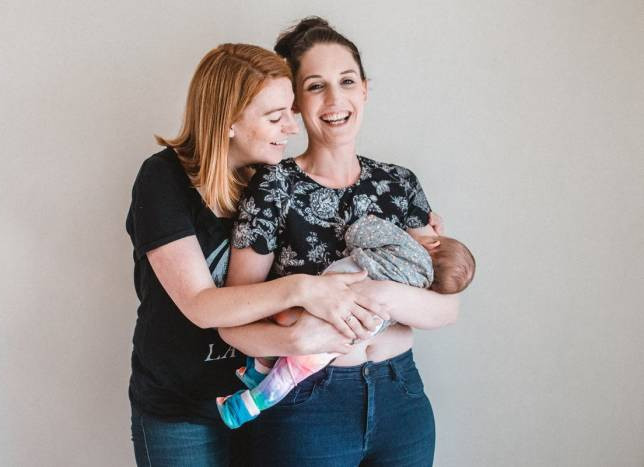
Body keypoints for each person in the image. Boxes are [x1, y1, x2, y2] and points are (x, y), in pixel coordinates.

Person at [126, 43, 388, 467]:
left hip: (270, 402)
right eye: (275, 117)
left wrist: (419, 240)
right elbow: (200, 304)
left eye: (290, 111)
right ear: (228, 120)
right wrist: (303, 290)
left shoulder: (272, 184)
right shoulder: (164, 178)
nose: (291, 127)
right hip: (181, 410)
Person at [218, 17, 462, 466]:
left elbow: (445, 308)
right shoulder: (273, 187)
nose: (335, 99)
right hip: (306, 405)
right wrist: (295, 342)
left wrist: (379, 294)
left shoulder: (399, 184)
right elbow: (232, 321)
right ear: (294, 102)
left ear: (364, 89)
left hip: (400, 397)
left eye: (346, 81)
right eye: (315, 86)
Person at [217, 215, 476, 428]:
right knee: (289, 373)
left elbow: (359, 231)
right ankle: (248, 395)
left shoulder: (408, 244)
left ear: (433, 244)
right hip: (344, 343)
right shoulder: (421, 287)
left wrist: (393, 236)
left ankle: (246, 397)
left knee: (281, 323)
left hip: (336, 323)